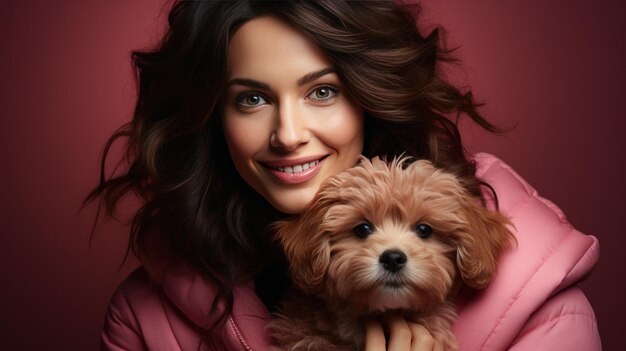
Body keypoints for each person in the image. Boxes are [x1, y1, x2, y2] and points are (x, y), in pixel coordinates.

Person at [87, 1, 600, 350]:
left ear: (369, 95)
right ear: (211, 118)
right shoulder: (143, 317)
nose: (288, 134)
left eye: (322, 91)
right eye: (252, 98)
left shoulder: (547, 314)